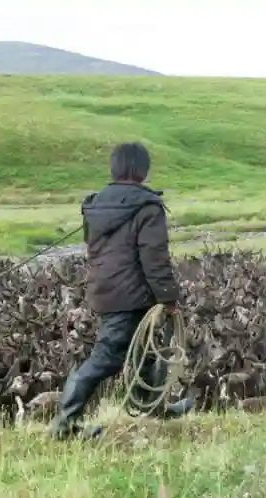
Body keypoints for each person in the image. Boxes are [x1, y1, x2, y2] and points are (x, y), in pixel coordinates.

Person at [49, 142, 181, 440]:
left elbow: (96, 249)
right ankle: (64, 424)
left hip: (105, 290)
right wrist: (169, 298)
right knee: (105, 358)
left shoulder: (95, 205)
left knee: (143, 349)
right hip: (132, 294)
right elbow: (154, 257)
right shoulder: (148, 208)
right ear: (142, 170)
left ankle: (154, 408)